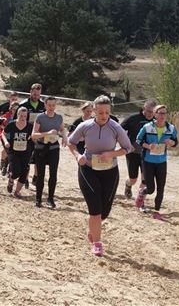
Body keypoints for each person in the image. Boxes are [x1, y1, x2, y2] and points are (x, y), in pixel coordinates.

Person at [68, 95, 133, 257]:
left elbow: (128, 148)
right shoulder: (85, 126)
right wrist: (78, 156)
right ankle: (97, 243)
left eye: (107, 112)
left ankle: (93, 228)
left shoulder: (115, 127)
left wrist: (112, 153)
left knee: (104, 211)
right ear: (94, 111)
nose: (104, 116)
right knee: (95, 209)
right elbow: (71, 142)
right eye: (100, 112)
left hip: (110, 171)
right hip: (88, 169)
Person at [135, 105, 178, 219]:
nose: (163, 115)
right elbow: (138, 140)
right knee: (151, 189)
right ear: (155, 114)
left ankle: (157, 212)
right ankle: (142, 192)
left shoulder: (171, 128)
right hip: (148, 161)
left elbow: (176, 142)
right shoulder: (147, 127)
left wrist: (171, 142)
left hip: (161, 161)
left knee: (161, 188)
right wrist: (148, 146)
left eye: (164, 113)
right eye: (160, 113)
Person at [31, 96, 67, 209]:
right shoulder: (40, 117)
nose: (51, 107)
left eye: (53, 105)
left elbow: (62, 129)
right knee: (40, 175)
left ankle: (50, 199)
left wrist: (65, 136)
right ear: (45, 105)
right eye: (49, 105)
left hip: (54, 148)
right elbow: (34, 135)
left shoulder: (59, 117)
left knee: (53, 174)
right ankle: (38, 199)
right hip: (41, 148)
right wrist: (47, 133)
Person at [120, 100, 156, 200]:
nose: (150, 114)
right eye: (148, 111)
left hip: (149, 154)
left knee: (146, 179)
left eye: (153, 112)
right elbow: (119, 130)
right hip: (133, 153)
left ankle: (140, 201)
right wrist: (125, 144)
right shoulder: (133, 118)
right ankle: (128, 185)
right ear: (143, 109)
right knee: (133, 179)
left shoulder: (156, 121)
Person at [19, 83, 46, 188]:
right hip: (26, 134)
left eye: (38, 94)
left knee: (38, 157)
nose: (36, 96)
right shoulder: (23, 104)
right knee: (26, 158)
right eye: (34, 94)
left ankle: (36, 176)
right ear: (30, 92)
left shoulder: (43, 105)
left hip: (39, 135)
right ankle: (24, 178)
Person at [2, 107, 34, 198]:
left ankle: (17, 191)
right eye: (21, 115)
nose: (23, 117)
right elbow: (3, 134)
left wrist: (32, 138)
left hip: (25, 151)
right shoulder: (12, 124)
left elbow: (34, 136)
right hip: (13, 150)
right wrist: (6, 142)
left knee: (24, 171)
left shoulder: (30, 126)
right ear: (17, 114)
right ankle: (11, 179)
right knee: (16, 171)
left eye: (25, 116)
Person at [0, 101, 19, 177]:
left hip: (15, 138)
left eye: (17, 109)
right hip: (6, 136)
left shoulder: (20, 117)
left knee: (11, 153)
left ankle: (7, 168)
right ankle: (3, 164)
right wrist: (6, 128)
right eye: (13, 109)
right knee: (6, 151)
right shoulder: (7, 116)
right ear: (11, 109)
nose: (15, 111)